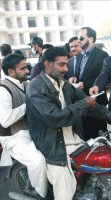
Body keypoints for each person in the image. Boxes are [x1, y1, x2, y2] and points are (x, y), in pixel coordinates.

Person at [26, 47, 111, 200]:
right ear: (48, 64)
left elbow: (87, 102)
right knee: (65, 194)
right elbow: (54, 118)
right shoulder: (36, 87)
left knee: (95, 168)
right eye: (61, 65)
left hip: (73, 139)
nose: (66, 69)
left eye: (66, 64)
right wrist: (84, 104)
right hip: (54, 145)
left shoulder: (62, 83)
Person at [0, 54, 47, 198]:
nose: (27, 71)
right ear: (11, 72)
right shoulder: (3, 89)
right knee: (37, 161)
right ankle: (39, 194)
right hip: (14, 137)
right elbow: (5, 120)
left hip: (29, 132)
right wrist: (28, 105)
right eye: (23, 68)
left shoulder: (24, 84)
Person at [68, 27, 109, 140]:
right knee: (86, 137)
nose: (79, 40)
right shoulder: (80, 55)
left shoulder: (102, 55)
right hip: (81, 102)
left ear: (90, 39)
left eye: (81, 38)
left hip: (96, 102)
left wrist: (85, 84)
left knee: (100, 138)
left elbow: (105, 78)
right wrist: (73, 77)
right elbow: (79, 74)